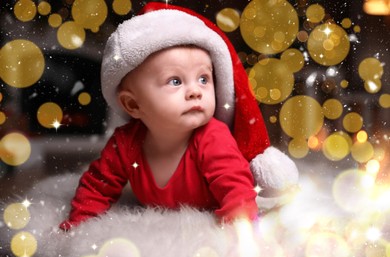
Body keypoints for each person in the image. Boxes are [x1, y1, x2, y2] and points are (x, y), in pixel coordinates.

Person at [59, 2, 298, 231]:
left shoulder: (212, 138)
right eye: (175, 81)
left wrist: (240, 231)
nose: (195, 91)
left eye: (204, 79)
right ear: (133, 104)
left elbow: (236, 190)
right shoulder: (125, 143)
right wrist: (79, 226)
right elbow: (97, 186)